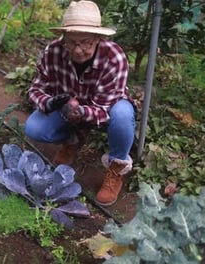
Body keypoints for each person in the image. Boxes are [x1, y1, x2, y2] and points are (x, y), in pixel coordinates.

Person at [24, 0, 136, 206]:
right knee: (34, 127)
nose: (77, 50)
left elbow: (104, 109)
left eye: (85, 42)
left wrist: (82, 112)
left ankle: (116, 168)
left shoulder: (114, 57)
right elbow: (35, 90)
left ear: (98, 38)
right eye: (71, 42)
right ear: (63, 37)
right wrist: (52, 102)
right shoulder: (53, 51)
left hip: (105, 109)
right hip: (67, 108)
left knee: (123, 113)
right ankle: (73, 141)